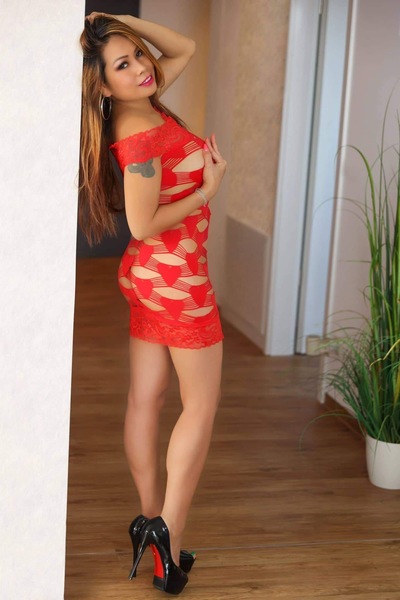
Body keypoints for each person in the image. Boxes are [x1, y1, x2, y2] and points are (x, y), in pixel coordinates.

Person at [79, 11, 227, 596]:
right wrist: (207, 192)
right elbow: (142, 224)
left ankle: (149, 520)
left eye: (139, 54)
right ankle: (170, 532)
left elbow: (182, 48)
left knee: (147, 397)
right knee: (200, 406)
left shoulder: (134, 105)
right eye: (124, 63)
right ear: (101, 84)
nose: (143, 67)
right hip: (177, 279)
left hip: (149, 278)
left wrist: (119, 22)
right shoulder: (138, 130)